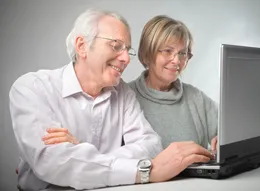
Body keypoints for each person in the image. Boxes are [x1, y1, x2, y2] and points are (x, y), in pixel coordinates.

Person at [9, 9, 214, 190]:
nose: (126, 58)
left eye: (127, 49)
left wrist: (82, 151)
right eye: (116, 46)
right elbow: (53, 165)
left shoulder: (122, 93)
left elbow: (151, 145)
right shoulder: (31, 88)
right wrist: (145, 171)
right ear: (82, 46)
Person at [129, 15, 219, 150]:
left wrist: (223, 140)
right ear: (147, 53)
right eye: (167, 51)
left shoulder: (196, 98)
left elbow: (228, 130)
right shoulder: (126, 97)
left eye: (182, 53)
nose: (176, 61)